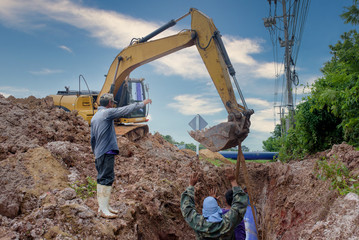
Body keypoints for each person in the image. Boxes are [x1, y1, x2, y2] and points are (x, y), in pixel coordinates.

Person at [91, 93, 152, 218]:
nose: (113, 104)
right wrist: (142, 103)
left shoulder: (95, 117)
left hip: (99, 152)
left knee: (103, 178)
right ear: (109, 103)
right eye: (112, 102)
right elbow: (125, 109)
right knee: (106, 178)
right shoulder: (107, 113)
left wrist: (95, 152)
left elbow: (93, 138)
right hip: (105, 151)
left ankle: (104, 207)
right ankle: (103, 209)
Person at [180, 170, 248, 239]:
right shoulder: (228, 223)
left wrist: (191, 186)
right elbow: (240, 204)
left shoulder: (198, 223)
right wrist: (233, 181)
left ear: (204, 210)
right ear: (218, 209)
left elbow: (187, 208)